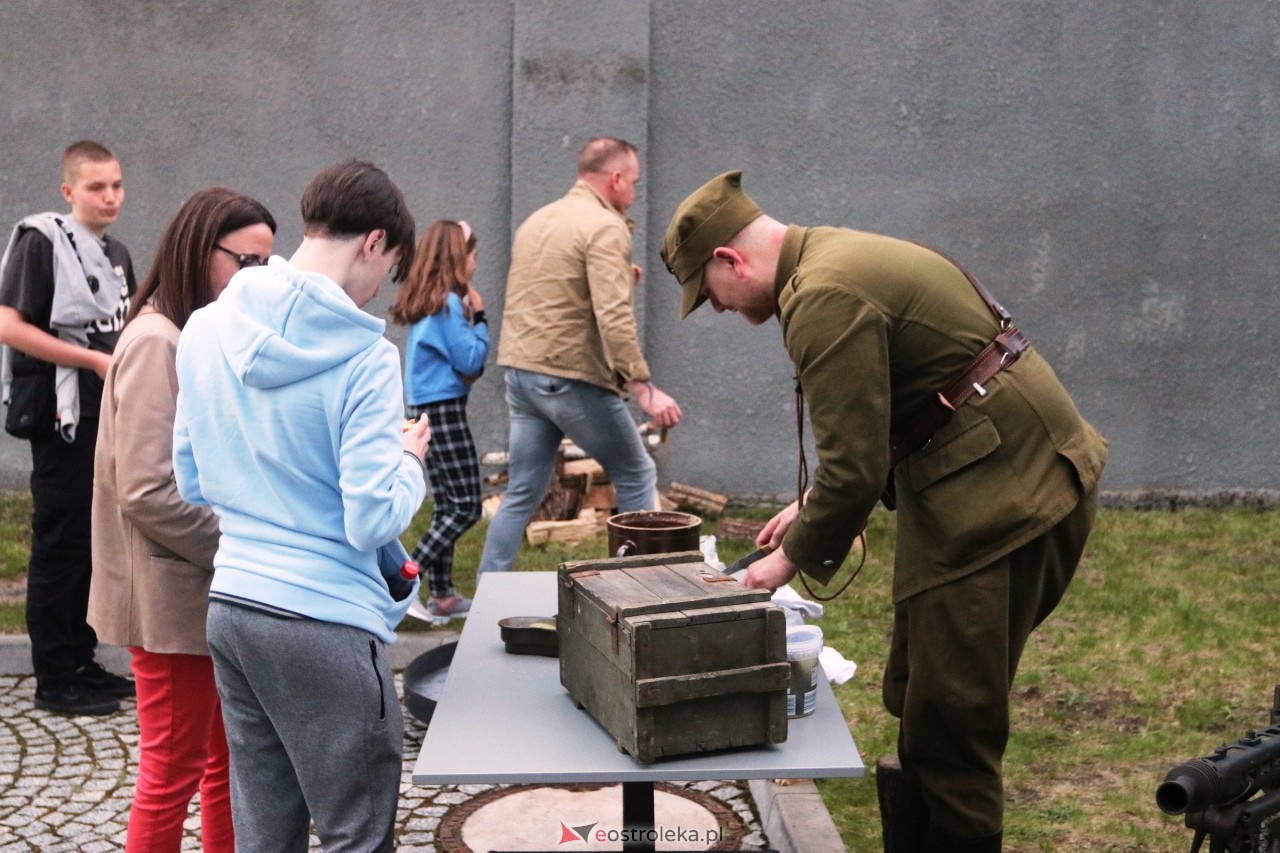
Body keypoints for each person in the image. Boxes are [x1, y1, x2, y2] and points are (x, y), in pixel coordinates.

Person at [661, 171, 1109, 853]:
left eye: (708, 292)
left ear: (730, 258)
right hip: (998, 477)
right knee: (917, 695)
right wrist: (815, 505)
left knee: (952, 724)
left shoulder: (823, 295)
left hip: (1007, 495)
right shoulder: (833, 256)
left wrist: (779, 565)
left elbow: (854, 468)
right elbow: (894, 414)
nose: (716, 308)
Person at [172, 160, 430, 853]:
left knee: (264, 834)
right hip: (326, 621)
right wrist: (409, 461)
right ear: (373, 242)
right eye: (389, 268)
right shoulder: (368, 359)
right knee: (357, 834)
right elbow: (371, 520)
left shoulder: (203, 328)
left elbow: (191, 479)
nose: (380, 290)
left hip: (234, 608)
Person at [88, 187, 276, 853]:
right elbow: (144, 490)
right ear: (199, 250)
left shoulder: (194, 332)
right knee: (173, 771)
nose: (256, 279)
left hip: (204, 593)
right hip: (168, 600)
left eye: (267, 266)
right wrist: (241, 546)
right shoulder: (155, 341)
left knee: (230, 766)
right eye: (246, 263)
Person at [477, 137, 681, 574]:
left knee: (522, 493)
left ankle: (486, 593)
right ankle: (638, 592)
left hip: (522, 376)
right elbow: (614, 317)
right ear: (616, 179)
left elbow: (555, 294)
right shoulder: (605, 227)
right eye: (634, 184)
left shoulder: (537, 221)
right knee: (636, 474)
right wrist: (643, 387)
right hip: (570, 378)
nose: (634, 194)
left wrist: (619, 280)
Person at [0, 140, 138, 715]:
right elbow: (8, 325)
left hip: (106, 413)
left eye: (116, 185)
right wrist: (90, 361)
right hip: (62, 416)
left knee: (91, 540)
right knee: (60, 543)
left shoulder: (116, 253)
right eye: (95, 187)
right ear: (68, 191)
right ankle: (55, 678)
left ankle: (82, 660)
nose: (110, 197)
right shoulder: (41, 242)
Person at [390, 219, 488, 619]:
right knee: (466, 507)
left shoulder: (430, 302)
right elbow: (471, 360)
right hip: (444, 409)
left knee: (447, 504)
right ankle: (401, 579)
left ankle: (443, 595)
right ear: (458, 258)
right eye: (473, 255)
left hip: (426, 409)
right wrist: (480, 318)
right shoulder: (447, 304)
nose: (476, 264)